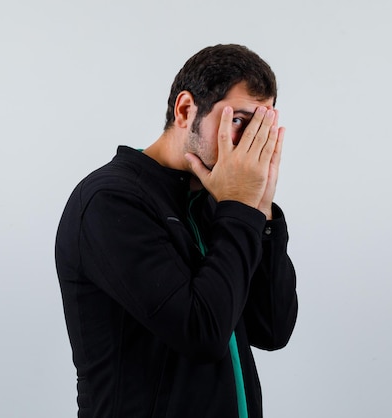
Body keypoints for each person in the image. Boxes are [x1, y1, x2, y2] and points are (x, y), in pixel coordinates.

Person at [55, 44, 298, 418]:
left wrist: (260, 210)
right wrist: (238, 209)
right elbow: (201, 334)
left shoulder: (219, 201)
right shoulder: (110, 201)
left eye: (260, 127)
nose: (250, 144)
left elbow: (272, 328)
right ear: (186, 110)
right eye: (239, 121)